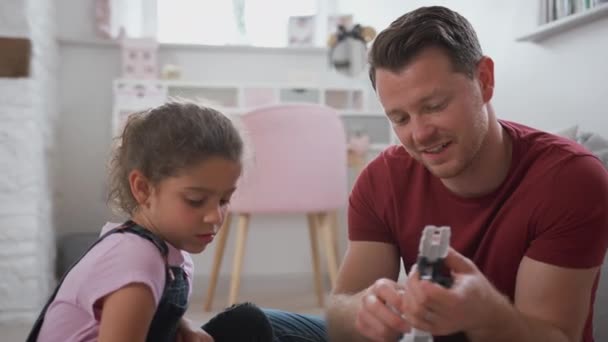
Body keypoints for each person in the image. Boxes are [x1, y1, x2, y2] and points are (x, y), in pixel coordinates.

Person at [323, 5, 608, 342]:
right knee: (257, 323)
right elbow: (338, 315)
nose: (419, 134)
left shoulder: (570, 180)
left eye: (434, 106)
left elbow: (557, 336)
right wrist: (364, 310)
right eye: (400, 119)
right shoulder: (381, 180)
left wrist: (487, 314)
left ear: (484, 80)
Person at [27, 100, 273, 342]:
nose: (215, 217)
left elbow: (151, 306)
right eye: (195, 200)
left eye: (224, 200)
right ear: (143, 188)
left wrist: (182, 326)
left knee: (249, 322)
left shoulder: (159, 250)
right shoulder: (136, 262)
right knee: (250, 327)